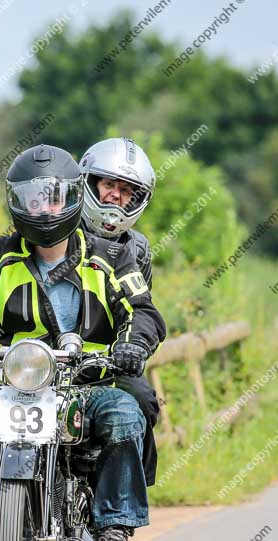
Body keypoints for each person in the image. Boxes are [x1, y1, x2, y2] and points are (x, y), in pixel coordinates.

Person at [0, 144, 166, 541]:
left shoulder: (113, 255)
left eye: (54, 197)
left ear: (73, 197)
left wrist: (132, 346)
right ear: (17, 202)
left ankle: (113, 529)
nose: (44, 209)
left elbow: (142, 312)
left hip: (92, 379)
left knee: (126, 413)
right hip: (18, 380)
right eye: (33, 198)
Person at [80, 137, 160, 487]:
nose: (116, 195)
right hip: (42, 358)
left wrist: (134, 348)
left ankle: (124, 506)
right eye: (109, 184)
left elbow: (142, 311)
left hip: (108, 360)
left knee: (143, 399)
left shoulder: (138, 249)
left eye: (127, 190)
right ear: (90, 183)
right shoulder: (53, 230)